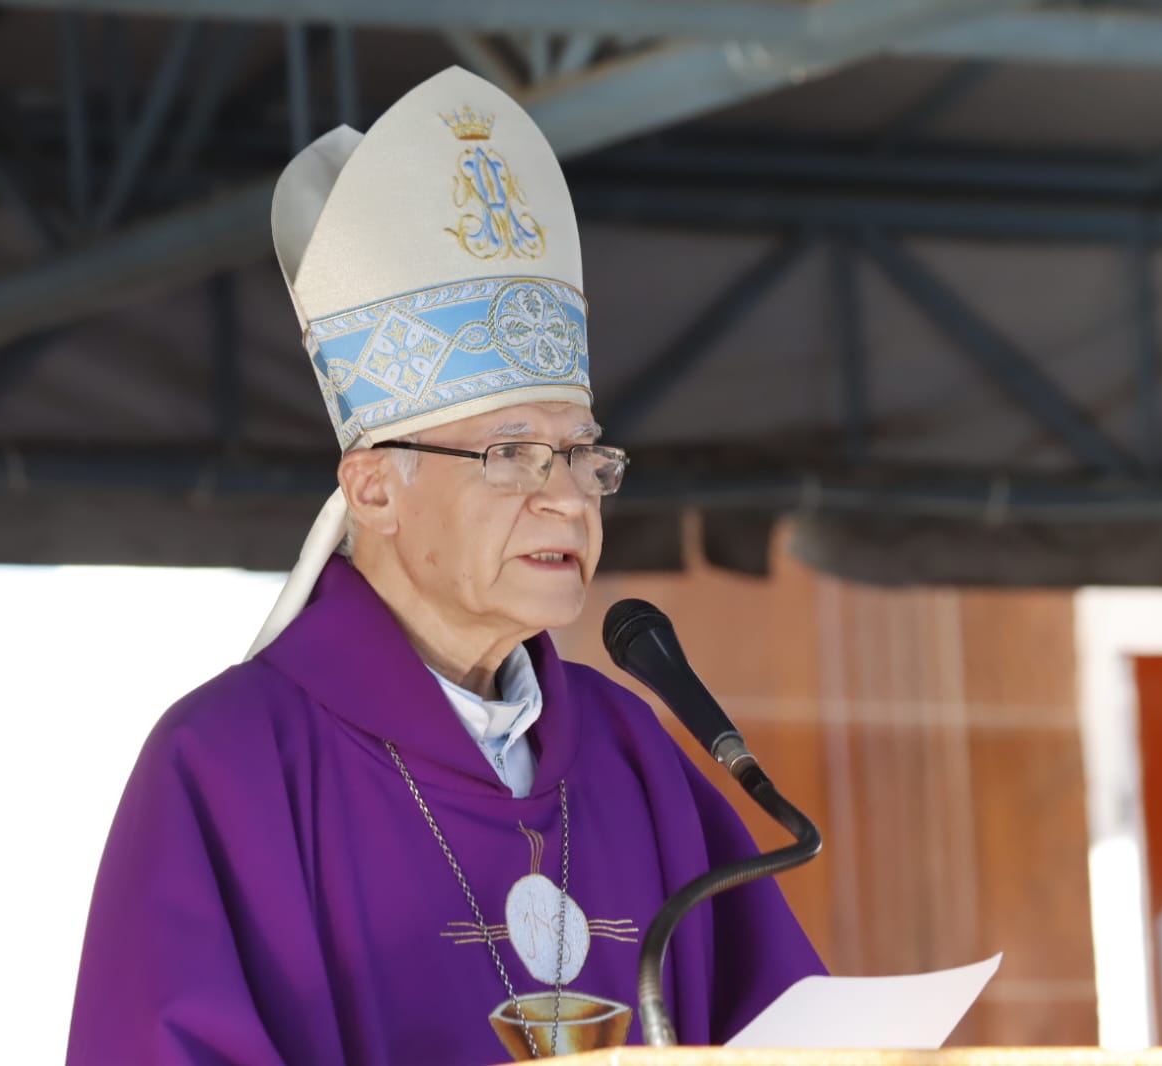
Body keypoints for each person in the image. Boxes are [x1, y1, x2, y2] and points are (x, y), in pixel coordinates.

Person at [66, 67, 823, 1065]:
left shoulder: (628, 746)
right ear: (374, 487)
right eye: (513, 454)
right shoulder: (230, 763)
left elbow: (794, 1036)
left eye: (584, 452)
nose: (567, 495)